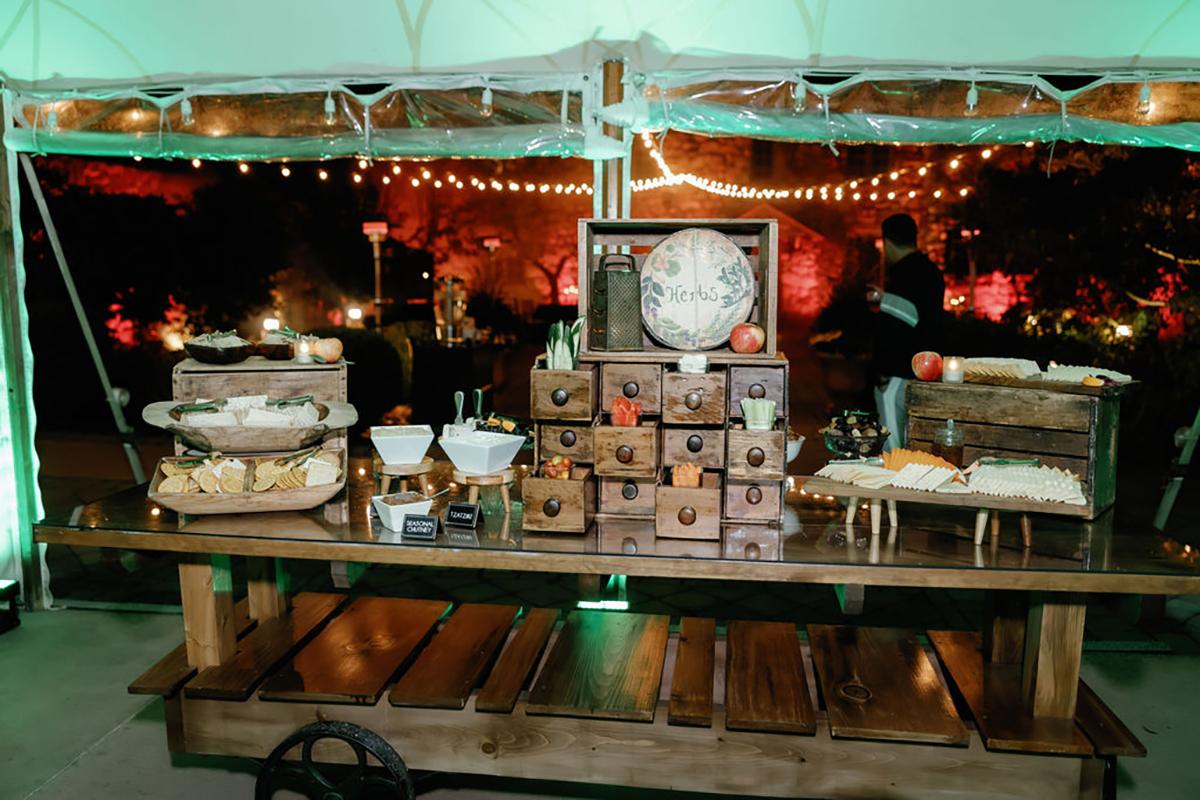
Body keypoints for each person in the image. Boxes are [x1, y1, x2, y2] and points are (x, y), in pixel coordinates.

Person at [869, 213, 945, 450]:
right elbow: (925, 318)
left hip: (898, 374)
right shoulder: (931, 271)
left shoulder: (902, 274)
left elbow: (900, 325)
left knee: (893, 447)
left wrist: (883, 372)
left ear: (887, 242)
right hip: (927, 370)